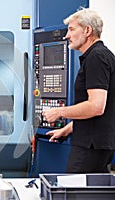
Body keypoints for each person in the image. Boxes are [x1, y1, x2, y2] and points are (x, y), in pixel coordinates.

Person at [42, 8, 115, 173]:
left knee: (73, 191)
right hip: (94, 144)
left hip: (91, 146)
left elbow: (96, 107)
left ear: (88, 30)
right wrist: (66, 130)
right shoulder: (97, 56)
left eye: (72, 29)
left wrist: (59, 112)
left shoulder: (97, 57)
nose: (67, 35)